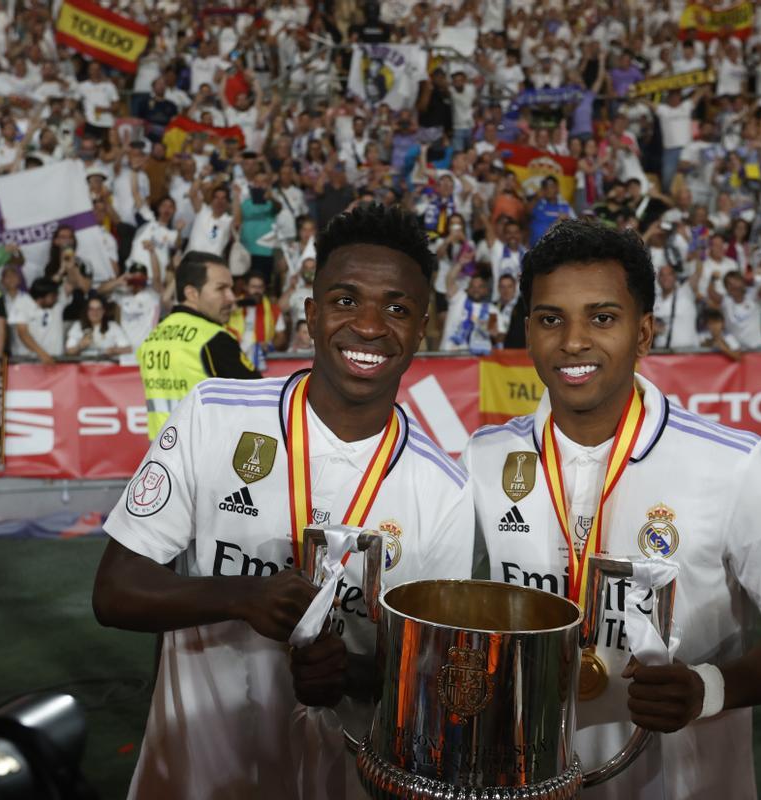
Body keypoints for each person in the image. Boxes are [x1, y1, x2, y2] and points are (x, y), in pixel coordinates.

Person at [91, 203, 475, 799]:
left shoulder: (445, 491)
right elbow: (114, 591)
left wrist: (351, 672)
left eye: (396, 308)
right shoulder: (214, 414)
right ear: (312, 313)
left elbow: (438, 677)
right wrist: (242, 596)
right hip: (192, 779)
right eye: (346, 300)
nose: (370, 326)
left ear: (421, 327)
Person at [462, 219, 761, 800]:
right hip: (526, 779)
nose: (573, 341)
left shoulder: (735, 465)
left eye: (602, 317)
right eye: (550, 319)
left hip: (680, 784)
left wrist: (708, 688)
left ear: (644, 334)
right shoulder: (486, 459)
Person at [136, 251, 257, 439]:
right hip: (204, 458)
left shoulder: (153, 337)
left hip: (161, 455)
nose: (231, 297)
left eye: (230, 289)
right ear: (191, 293)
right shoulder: (213, 338)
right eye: (221, 289)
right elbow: (261, 402)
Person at [10, 278, 64, 363]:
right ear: (42, 297)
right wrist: (42, 354)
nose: (56, 299)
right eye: (53, 296)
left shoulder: (56, 306)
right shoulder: (22, 302)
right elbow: (22, 332)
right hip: (27, 364)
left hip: (53, 362)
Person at [65, 295, 132, 359]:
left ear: (103, 311)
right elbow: (68, 352)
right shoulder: (78, 326)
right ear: (87, 311)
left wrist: (114, 350)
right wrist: (80, 346)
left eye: (99, 309)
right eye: (91, 309)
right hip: (84, 368)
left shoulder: (113, 326)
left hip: (107, 368)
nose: (95, 312)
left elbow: (128, 349)